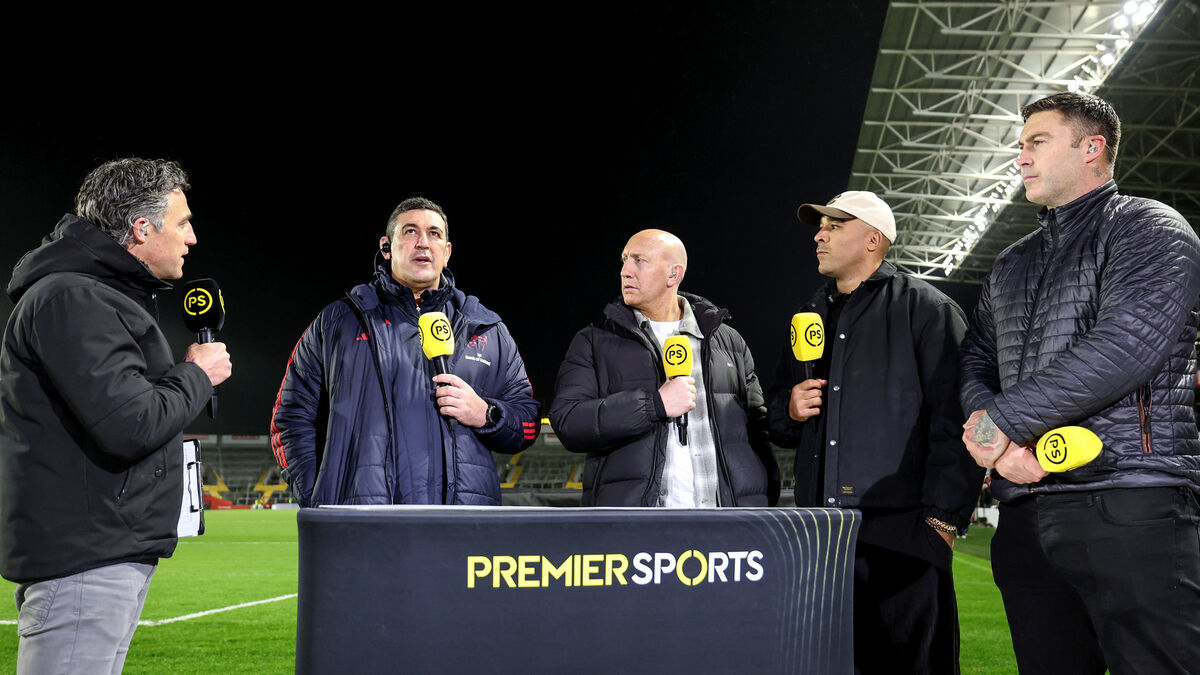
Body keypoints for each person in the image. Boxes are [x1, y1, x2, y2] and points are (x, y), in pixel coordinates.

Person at [959, 91, 1200, 674]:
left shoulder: (1150, 228)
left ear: (1092, 148)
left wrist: (1000, 425)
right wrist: (1002, 449)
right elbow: (975, 362)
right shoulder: (1011, 262)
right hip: (1024, 509)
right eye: (1020, 145)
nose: (1021, 157)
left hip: (1128, 497)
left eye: (1037, 142)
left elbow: (1127, 344)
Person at [0, 158, 233, 672]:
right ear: (141, 228)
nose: (191, 238)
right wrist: (197, 374)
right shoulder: (72, 297)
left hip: (102, 548)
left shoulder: (90, 294)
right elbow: (131, 424)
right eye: (183, 223)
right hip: (85, 556)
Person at [766, 191, 981, 674]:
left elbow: (959, 419)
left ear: (872, 240)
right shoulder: (808, 315)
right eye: (820, 227)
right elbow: (778, 419)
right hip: (824, 532)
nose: (819, 236)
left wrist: (942, 521)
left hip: (903, 528)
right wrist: (791, 409)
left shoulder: (927, 309)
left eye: (835, 226)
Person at [270, 197, 540, 506]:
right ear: (386, 247)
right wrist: (319, 496)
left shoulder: (485, 328)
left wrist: (487, 414)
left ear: (447, 252)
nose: (423, 242)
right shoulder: (338, 322)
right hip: (362, 523)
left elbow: (528, 420)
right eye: (410, 231)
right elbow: (289, 417)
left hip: (463, 524)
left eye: (434, 234)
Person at [549, 229, 778, 507]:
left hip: (724, 522)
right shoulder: (593, 341)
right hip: (638, 524)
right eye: (624, 260)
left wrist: (762, 499)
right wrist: (653, 405)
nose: (625, 271)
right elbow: (568, 421)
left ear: (673, 274)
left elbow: (758, 431)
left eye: (639, 260)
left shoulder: (729, 342)